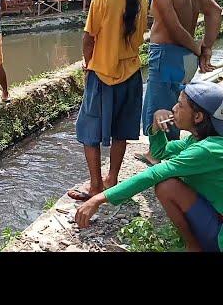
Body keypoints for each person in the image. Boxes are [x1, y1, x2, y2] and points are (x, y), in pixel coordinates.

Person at [75, 81, 223, 252]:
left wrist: (98, 199)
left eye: (180, 106)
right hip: (212, 215)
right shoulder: (199, 140)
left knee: (167, 186)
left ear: (197, 117)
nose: (174, 108)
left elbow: (154, 174)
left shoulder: (207, 150)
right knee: (168, 184)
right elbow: (160, 152)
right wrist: (156, 127)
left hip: (218, 229)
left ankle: (194, 247)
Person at [68, 0, 149, 201]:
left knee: (88, 130)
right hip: (132, 73)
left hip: (102, 73)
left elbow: (88, 38)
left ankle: (95, 185)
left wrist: (87, 62)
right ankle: (112, 180)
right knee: (121, 130)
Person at [137, 0, 222, 166]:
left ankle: (158, 155)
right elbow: (215, 11)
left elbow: (176, 31)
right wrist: (206, 47)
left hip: (167, 55)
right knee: (178, 104)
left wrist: (200, 49)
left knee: (159, 108)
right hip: (186, 58)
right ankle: (169, 151)